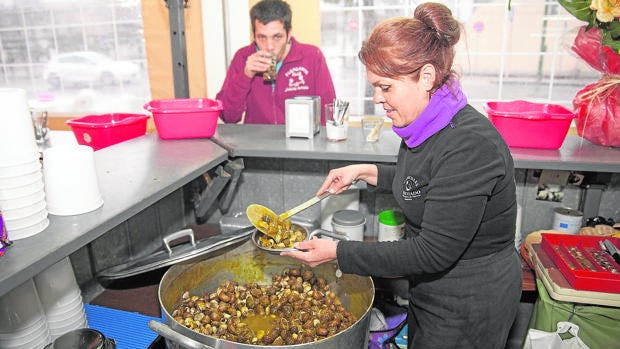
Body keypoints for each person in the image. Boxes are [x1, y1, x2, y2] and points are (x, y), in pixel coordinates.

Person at [282, 3, 522, 348]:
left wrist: (339, 252)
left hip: (471, 299)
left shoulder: (469, 144)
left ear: (426, 77)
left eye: (386, 87)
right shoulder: (427, 122)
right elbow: (430, 182)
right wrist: (365, 172)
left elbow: (431, 252)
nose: (377, 99)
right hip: (432, 287)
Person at [216, 0, 336, 125]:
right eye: (262, 37)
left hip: (302, 140)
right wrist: (245, 76)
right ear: (254, 36)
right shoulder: (243, 57)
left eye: (277, 37)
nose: (269, 46)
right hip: (256, 142)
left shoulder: (311, 56)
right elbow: (229, 117)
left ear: (289, 34)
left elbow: (329, 113)